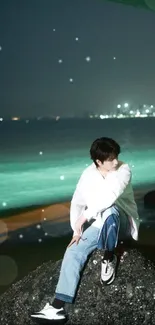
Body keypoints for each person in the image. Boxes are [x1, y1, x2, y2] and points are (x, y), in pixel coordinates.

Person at [31, 137, 140, 321]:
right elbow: (77, 202)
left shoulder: (123, 170)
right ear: (98, 161)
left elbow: (110, 196)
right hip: (100, 223)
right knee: (73, 249)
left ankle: (108, 257)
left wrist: (84, 217)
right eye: (111, 158)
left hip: (123, 222)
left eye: (116, 156)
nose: (116, 161)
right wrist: (76, 230)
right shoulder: (88, 174)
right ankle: (57, 307)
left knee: (110, 210)